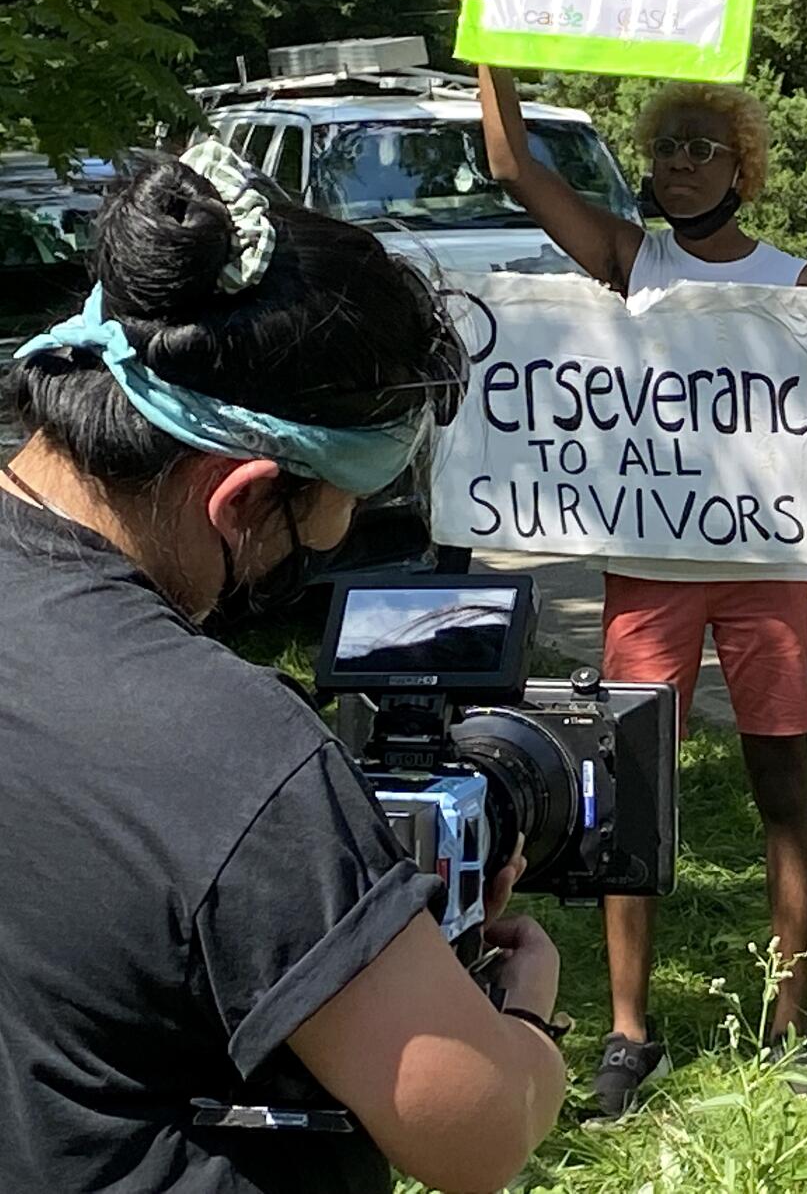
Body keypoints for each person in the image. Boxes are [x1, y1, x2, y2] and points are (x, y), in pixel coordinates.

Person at [0, 141, 568, 1194]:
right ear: (243, 497)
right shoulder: (230, 748)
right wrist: (524, 1003)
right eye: (310, 542)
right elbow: (474, 1130)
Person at [451, 0, 807, 1116]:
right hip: (651, 567)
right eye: (663, 149)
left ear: (742, 166)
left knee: (781, 778)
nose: (676, 166)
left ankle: (791, 1017)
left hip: (762, 569)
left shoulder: (795, 280)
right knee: (631, 791)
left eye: (699, 148)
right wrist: (486, 25)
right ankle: (629, 1032)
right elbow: (510, 162)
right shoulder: (633, 259)